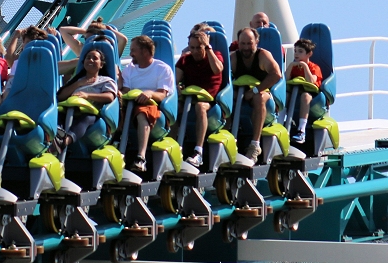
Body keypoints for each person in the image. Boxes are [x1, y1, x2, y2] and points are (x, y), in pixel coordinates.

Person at [120, 36, 174, 176]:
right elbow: (125, 90)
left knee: (142, 112)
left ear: (144, 51)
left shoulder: (162, 69)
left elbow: (162, 95)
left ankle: (141, 156)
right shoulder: (129, 69)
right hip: (130, 105)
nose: (131, 54)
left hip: (155, 108)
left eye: (133, 50)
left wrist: (150, 93)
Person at [231, 28, 283, 162]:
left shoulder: (263, 55)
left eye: (249, 43)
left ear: (256, 42)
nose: (246, 47)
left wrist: (255, 90)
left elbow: (276, 74)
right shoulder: (234, 57)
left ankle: (255, 145)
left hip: (264, 93)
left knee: (258, 98)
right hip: (241, 94)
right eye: (243, 44)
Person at [174, 31, 224, 170]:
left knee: (200, 107)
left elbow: (218, 69)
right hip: (189, 98)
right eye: (192, 47)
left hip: (210, 101)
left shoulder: (215, 56)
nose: (195, 51)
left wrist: (208, 49)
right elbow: (174, 80)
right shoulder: (185, 60)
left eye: (198, 47)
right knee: (174, 106)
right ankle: (173, 148)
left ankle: (198, 152)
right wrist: (176, 87)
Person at [57, 48, 118, 152]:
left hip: (93, 115)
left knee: (86, 118)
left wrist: (87, 95)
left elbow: (109, 97)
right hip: (71, 111)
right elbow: (60, 97)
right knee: (58, 114)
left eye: (95, 58)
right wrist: (79, 84)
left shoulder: (106, 81)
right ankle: (56, 136)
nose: (91, 60)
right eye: (88, 58)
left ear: (101, 64)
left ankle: (64, 141)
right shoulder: (77, 80)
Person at [287, 38, 323, 140]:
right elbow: (285, 79)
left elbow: (311, 81)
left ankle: (301, 130)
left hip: (311, 94)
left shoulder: (314, 67)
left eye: (300, 51)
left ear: (309, 54)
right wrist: (290, 66)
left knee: (305, 96)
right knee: (285, 95)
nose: (296, 54)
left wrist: (304, 66)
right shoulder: (293, 66)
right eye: (295, 51)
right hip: (294, 93)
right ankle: (281, 125)